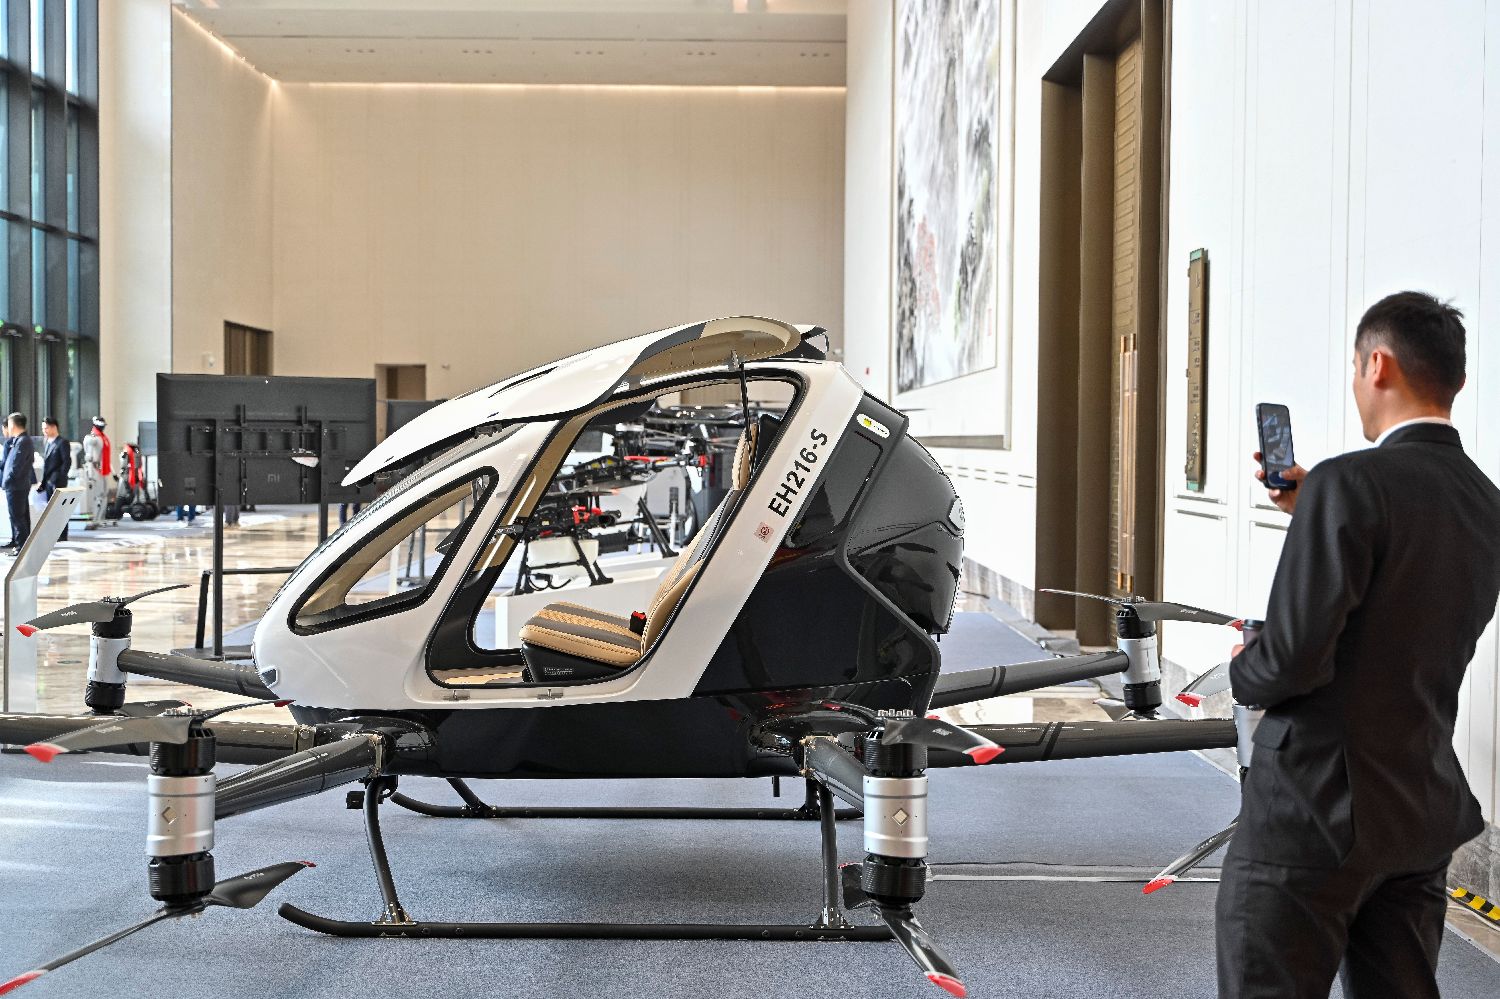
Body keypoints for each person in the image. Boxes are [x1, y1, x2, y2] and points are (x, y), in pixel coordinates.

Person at [1216, 291, 1500, 998]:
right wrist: (1315, 507)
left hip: (1312, 805)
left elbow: (1291, 661)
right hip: (1417, 807)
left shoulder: (1349, 482)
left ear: (1378, 365)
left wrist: (1244, 665)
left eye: (1354, 366)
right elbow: (1401, 609)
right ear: (1457, 380)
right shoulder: (1485, 502)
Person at [1, 413, 37, 553]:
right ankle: (22, 545)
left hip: (16, 486)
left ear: (13, 425)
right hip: (16, 485)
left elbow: (16, 465)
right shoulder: (19, 440)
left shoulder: (23, 441)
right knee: (19, 515)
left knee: (18, 516)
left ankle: (22, 546)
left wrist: (8, 480)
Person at [37, 417, 72, 541]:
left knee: (59, 508)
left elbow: (67, 461)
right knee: (51, 509)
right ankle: (54, 533)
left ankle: (62, 534)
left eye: (46, 428)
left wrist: (60, 476)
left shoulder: (62, 442)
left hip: (58, 481)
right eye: (43, 428)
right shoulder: (47, 442)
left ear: (54, 427)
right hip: (48, 481)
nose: (44, 431)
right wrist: (43, 482)